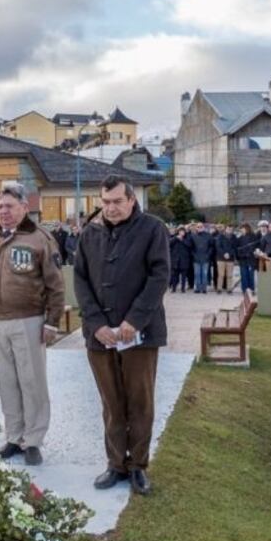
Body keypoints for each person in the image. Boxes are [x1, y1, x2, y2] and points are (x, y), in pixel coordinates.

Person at [74, 175, 169, 496]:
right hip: (100, 335)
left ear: (131, 200)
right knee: (111, 402)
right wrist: (96, 323)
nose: (111, 208)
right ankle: (115, 463)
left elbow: (159, 276)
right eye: (106, 202)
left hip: (139, 334)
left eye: (117, 201)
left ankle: (138, 466)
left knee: (140, 402)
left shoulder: (152, 229)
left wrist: (135, 320)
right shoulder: (90, 233)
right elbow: (81, 281)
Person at [0, 183, 65, 466]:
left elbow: (56, 285)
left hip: (29, 321)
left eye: (10, 206)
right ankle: (14, 436)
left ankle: (33, 440)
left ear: (25, 207)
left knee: (32, 381)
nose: (4, 211)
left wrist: (51, 322)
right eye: (0, 206)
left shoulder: (40, 239)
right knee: (7, 382)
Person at [188, 222, 214, 293]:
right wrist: (193, 255)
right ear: (196, 228)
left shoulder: (208, 236)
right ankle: (198, 288)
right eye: (198, 227)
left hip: (205, 258)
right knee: (197, 274)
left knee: (204, 274)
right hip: (196, 258)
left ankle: (204, 288)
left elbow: (211, 246)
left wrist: (208, 255)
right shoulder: (193, 236)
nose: (200, 228)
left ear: (204, 227)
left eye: (201, 226)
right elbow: (190, 247)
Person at [234, 223, 259, 294]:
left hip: (250, 260)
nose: (241, 230)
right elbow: (237, 248)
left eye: (242, 229)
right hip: (242, 260)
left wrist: (248, 253)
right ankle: (244, 290)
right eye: (241, 229)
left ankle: (252, 289)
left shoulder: (253, 237)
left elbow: (253, 247)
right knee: (243, 275)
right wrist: (239, 256)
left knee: (250, 275)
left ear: (246, 229)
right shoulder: (240, 238)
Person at [214, 224, 236, 294]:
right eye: (228, 229)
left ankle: (229, 289)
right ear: (225, 229)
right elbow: (218, 246)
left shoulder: (234, 237)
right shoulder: (220, 236)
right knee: (221, 275)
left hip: (230, 259)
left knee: (229, 275)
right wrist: (224, 254)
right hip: (221, 258)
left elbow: (235, 248)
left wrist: (229, 254)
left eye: (231, 229)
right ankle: (219, 288)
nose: (230, 230)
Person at [169, 227, 191, 292]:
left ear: (185, 232)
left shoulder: (187, 238)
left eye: (183, 232)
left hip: (184, 260)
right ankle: (173, 288)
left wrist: (182, 240)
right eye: (180, 231)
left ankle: (183, 288)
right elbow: (169, 243)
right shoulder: (174, 238)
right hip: (175, 260)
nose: (181, 233)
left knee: (183, 276)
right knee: (174, 276)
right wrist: (176, 238)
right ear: (178, 232)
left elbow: (189, 245)